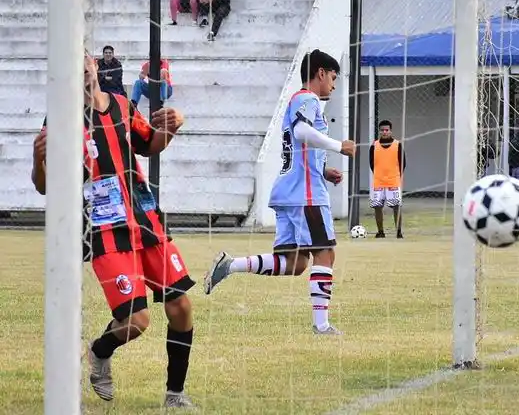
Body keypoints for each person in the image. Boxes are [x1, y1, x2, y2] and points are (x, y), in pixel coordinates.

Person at [31, 53, 194, 408]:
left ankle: (175, 395)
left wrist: (173, 125)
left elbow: (150, 144)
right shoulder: (59, 121)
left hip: (145, 216)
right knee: (136, 321)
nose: (82, 72)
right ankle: (99, 351)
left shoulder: (121, 105)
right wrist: (37, 159)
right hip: (105, 230)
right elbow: (44, 186)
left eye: (84, 64)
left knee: (181, 306)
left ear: (92, 65)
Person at [203, 49, 356, 335]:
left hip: (290, 191)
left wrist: (323, 171)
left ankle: (230, 265)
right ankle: (321, 326)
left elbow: (298, 148)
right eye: (333, 78)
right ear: (321, 73)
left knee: (295, 263)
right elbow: (300, 133)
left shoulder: (298, 102)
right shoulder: (307, 99)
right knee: (326, 255)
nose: (333, 85)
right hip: (305, 196)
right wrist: (339, 146)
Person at [369, 119, 406, 239]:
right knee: (377, 207)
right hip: (378, 181)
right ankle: (380, 232)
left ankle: (398, 232)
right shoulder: (374, 145)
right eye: (382, 130)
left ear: (390, 131)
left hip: (393, 181)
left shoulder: (397, 145)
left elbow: (403, 163)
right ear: (379, 132)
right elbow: (371, 163)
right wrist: (379, 174)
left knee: (397, 206)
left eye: (387, 130)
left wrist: (396, 175)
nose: (384, 132)